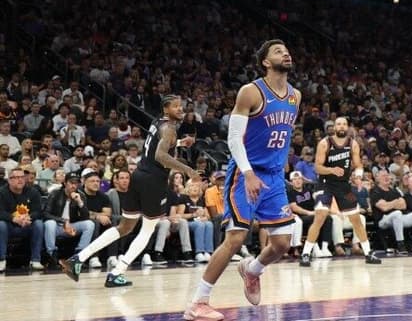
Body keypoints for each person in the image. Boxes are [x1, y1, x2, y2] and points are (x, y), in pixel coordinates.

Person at [184, 40, 300, 321]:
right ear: (264, 61)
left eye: (286, 50)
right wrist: (248, 173)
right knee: (236, 237)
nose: (285, 53)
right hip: (245, 173)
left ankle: (252, 270)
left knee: (283, 243)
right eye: (277, 51)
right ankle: (198, 302)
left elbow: (282, 136)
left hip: (273, 177)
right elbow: (234, 138)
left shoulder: (296, 95)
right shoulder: (251, 92)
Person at [61, 95, 200, 287]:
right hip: (153, 182)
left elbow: (155, 148)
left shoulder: (158, 122)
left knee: (125, 227)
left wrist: (179, 144)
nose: (180, 109)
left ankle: (77, 260)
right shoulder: (170, 128)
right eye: (176, 106)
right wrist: (188, 170)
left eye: (181, 105)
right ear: (166, 109)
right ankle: (117, 272)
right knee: (148, 229)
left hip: (138, 176)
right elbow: (161, 156)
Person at [300, 116, 380, 266]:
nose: (341, 127)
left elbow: (358, 165)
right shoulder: (325, 143)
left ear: (347, 127)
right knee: (321, 215)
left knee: (356, 218)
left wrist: (358, 175)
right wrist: (331, 169)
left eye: (344, 124)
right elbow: (317, 167)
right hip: (325, 184)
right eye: (339, 124)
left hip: (343, 185)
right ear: (334, 127)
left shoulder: (353, 144)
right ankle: (305, 254)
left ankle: (368, 253)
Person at [0, 166, 45, 271]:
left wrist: (29, 217)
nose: (20, 179)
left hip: (26, 225)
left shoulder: (33, 192)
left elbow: (38, 211)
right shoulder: (2, 192)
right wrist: (13, 218)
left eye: (22, 177)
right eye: (16, 177)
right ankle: (1, 260)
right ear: (9, 180)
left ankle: (35, 260)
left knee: (38, 223)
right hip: (9, 226)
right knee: (1, 225)